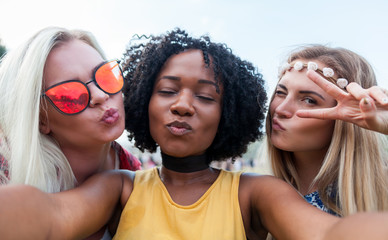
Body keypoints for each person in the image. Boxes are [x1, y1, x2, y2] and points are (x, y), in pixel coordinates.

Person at [1, 29, 388, 240]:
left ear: (229, 114)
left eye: (205, 96)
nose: (183, 105)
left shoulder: (257, 193)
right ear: (142, 102)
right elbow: (48, 217)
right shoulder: (117, 186)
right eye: (167, 90)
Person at [0, 26, 141, 239]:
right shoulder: (7, 168)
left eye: (106, 76)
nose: (100, 95)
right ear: (41, 119)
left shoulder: (133, 169)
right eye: (71, 94)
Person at [264, 45, 388, 216]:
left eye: (308, 100)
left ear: (346, 120)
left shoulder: (382, 193)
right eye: (280, 92)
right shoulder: (254, 194)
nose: (280, 109)